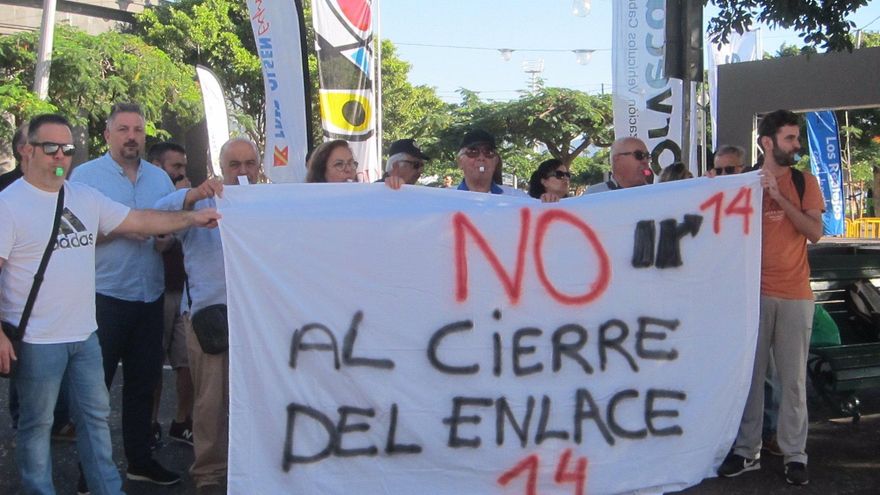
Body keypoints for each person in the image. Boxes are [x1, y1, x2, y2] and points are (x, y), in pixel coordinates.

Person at [0, 113, 220, 495]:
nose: (59, 156)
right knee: (37, 426)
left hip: (84, 333)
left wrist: (193, 217)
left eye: (66, 149)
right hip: (37, 338)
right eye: (49, 147)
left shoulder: (82, 196)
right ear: (26, 150)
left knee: (96, 419)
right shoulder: (9, 204)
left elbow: (139, 220)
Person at [69, 102, 181, 485]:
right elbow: (70, 237)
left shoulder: (159, 179)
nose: (132, 136)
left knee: (143, 384)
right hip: (104, 296)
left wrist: (165, 240)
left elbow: (169, 230)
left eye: (138, 129)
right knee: (94, 391)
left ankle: (139, 461)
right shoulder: (85, 178)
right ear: (107, 134)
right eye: (123, 129)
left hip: (148, 296)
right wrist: (121, 229)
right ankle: (90, 472)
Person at [718, 109, 823, 486]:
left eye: (797, 138)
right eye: (790, 139)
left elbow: (815, 232)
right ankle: (748, 451)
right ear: (767, 142)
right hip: (752, 295)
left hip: (795, 294)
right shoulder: (742, 184)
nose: (796, 145)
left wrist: (780, 196)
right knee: (752, 376)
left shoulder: (803, 180)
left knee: (793, 381)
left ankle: (795, 453)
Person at [154, 137, 260, 495]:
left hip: (260, 321)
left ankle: (258, 467)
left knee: (261, 397)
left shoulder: (269, 204)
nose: (243, 171)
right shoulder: (202, 203)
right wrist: (193, 197)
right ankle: (209, 475)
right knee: (211, 403)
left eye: (250, 164)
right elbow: (157, 215)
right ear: (221, 167)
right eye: (234, 164)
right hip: (210, 320)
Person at [147, 142, 194, 449]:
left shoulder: (191, 198)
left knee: (187, 363)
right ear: (157, 166)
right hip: (157, 291)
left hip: (185, 290)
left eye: (183, 167)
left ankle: (182, 422)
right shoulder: (153, 198)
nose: (181, 173)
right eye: (175, 166)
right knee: (152, 363)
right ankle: (149, 424)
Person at [454, 129, 527, 196]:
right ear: (460, 161)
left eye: (488, 152)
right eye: (473, 152)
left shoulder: (518, 198)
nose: (481, 158)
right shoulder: (445, 199)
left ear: (496, 161)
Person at [585, 137, 652, 193]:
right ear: (617, 159)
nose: (645, 161)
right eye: (639, 155)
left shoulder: (656, 194)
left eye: (647, 156)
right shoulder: (594, 195)